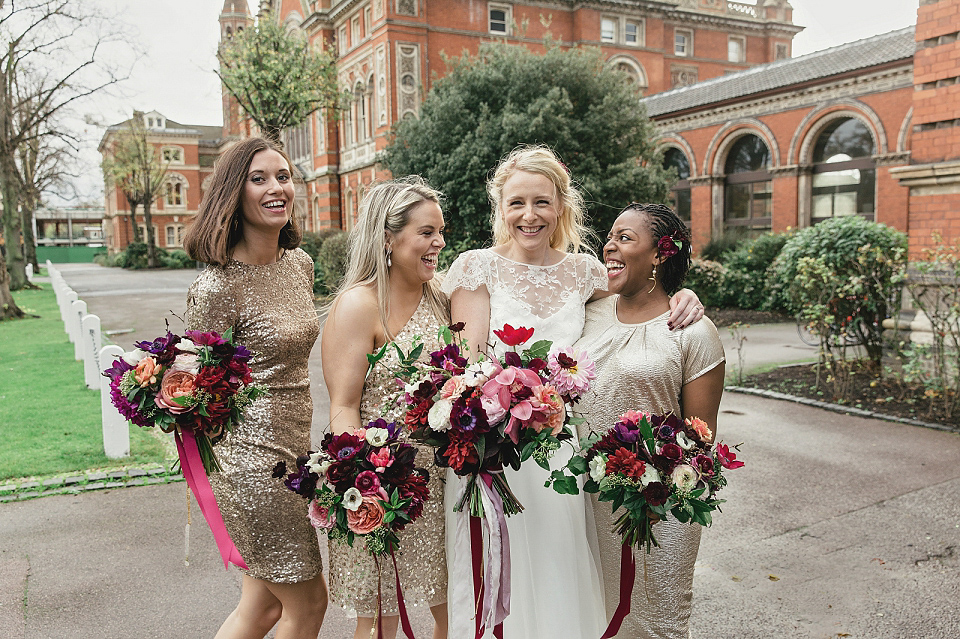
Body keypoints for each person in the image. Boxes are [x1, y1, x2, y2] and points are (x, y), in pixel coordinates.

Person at [442, 145, 705, 638]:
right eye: (517, 202)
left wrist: (684, 292)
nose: (529, 215)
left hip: (561, 451)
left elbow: (646, 293)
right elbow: (468, 367)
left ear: (560, 205)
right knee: (501, 578)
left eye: (542, 202)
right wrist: (503, 411)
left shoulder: (585, 272)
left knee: (562, 569)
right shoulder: (478, 268)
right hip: (496, 452)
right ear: (500, 207)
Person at [182, 137, 327, 639]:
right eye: (259, 178)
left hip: (295, 451)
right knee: (308, 603)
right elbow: (196, 388)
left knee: (263, 607)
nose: (276, 188)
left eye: (283, 176)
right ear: (233, 193)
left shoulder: (300, 266)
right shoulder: (218, 286)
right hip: (248, 463)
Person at [576, 202, 725, 639]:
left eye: (625, 238)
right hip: (589, 499)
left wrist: (660, 487)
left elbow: (701, 442)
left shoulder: (693, 333)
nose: (609, 246)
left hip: (661, 506)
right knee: (599, 614)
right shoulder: (589, 313)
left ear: (660, 254)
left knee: (658, 622)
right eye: (610, 237)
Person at [321, 177, 449, 639]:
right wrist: (370, 485)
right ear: (388, 239)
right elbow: (343, 405)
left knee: (452, 606)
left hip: (446, 482)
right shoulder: (358, 305)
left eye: (440, 231)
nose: (438, 243)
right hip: (387, 484)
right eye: (427, 232)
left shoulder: (443, 297)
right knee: (380, 617)